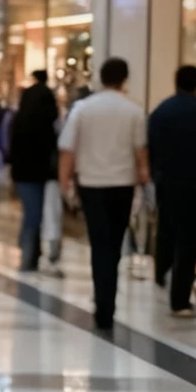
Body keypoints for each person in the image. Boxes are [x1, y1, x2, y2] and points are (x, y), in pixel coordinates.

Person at [58, 56, 149, 332]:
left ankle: (103, 304)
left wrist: (65, 183)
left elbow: (67, 150)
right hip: (122, 184)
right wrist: (143, 177)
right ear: (125, 79)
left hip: (91, 184)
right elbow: (140, 152)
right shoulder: (133, 111)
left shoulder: (83, 109)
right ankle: (107, 300)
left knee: (99, 243)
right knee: (115, 243)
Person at [146, 64, 196, 316]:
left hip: (167, 183)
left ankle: (164, 275)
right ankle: (181, 299)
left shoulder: (160, 112)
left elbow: (151, 149)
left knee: (168, 231)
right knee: (190, 240)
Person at [8, 69, 60, 271]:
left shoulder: (20, 122)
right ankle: (29, 255)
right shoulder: (47, 126)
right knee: (37, 214)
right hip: (42, 173)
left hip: (24, 174)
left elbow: (13, 150)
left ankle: (29, 252)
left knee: (32, 213)